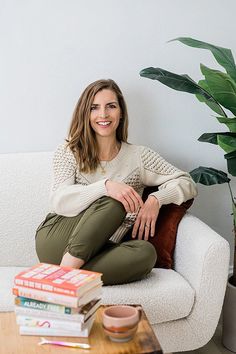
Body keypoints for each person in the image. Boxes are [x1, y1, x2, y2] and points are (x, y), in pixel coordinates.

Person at [35, 79, 197, 285]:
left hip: (103, 249)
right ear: (86, 114)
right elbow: (59, 200)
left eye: (111, 106)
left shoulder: (139, 156)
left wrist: (156, 199)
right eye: (94, 108)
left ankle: (62, 278)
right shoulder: (69, 152)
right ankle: (63, 280)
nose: (103, 115)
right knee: (116, 200)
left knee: (146, 253)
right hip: (57, 238)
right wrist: (105, 187)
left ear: (121, 113)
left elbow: (186, 182)